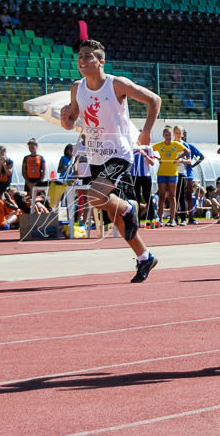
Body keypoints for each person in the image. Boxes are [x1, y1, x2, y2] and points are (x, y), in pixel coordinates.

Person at [60, 39, 162, 283]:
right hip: (95, 155)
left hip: (118, 153)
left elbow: (154, 100)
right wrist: (66, 119)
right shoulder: (77, 87)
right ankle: (144, 256)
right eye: (80, 57)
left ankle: (130, 208)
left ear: (101, 61)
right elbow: (72, 121)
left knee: (96, 196)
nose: (82, 61)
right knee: (114, 215)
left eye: (88, 56)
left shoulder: (116, 84)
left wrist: (146, 131)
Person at [152, 126, 188, 227]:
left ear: (172, 135)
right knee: (162, 196)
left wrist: (178, 158)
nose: (168, 137)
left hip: (173, 173)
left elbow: (187, 151)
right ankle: (160, 219)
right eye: (166, 135)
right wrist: (157, 158)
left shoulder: (176, 144)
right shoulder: (160, 145)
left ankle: (172, 219)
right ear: (163, 136)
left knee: (172, 196)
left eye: (169, 135)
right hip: (162, 172)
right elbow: (149, 151)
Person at [173, 126, 203, 225]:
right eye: (176, 133)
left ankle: (190, 217)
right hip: (175, 172)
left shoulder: (188, 146)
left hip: (187, 173)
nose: (179, 135)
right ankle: (176, 216)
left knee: (188, 196)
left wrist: (193, 165)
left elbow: (201, 156)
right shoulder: (172, 145)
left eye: (180, 133)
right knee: (177, 196)